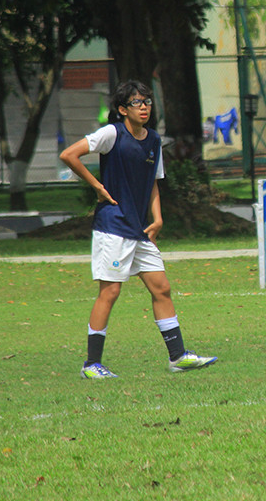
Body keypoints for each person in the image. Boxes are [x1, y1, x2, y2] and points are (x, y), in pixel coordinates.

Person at [59, 80, 218, 379]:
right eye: (137, 102)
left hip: (138, 229)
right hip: (113, 226)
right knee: (110, 291)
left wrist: (157, 219)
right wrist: (96, 186)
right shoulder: (112, 134)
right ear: (122, 110)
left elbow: (154, 182)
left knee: (162, 288)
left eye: (147, 101)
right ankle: (91, 364)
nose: (144, 106)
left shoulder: (154, 140)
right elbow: (69, 154)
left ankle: (178, 356)